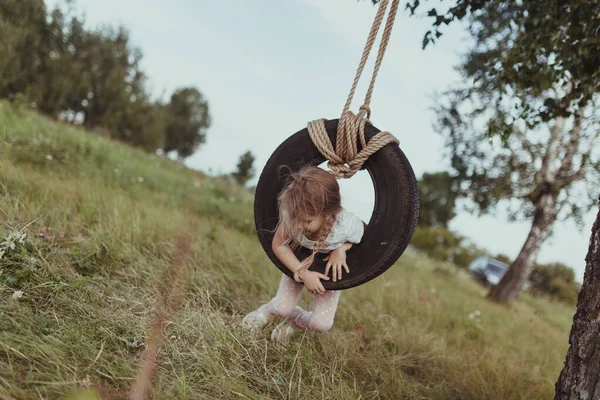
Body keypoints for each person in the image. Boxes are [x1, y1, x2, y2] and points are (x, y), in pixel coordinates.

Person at [242, 166, 365, 344]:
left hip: (327, 270)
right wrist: (303, 273)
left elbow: (366, 235)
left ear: (328, 213)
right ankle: (265, 312)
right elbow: (279, 245)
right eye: (295, 219)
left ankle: (296, 322)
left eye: (306, 221)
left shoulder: (344, 224)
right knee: (283, 308)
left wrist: (341, 249)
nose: (298, 226)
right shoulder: (293, 215)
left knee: (321, 324)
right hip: (299, 261)